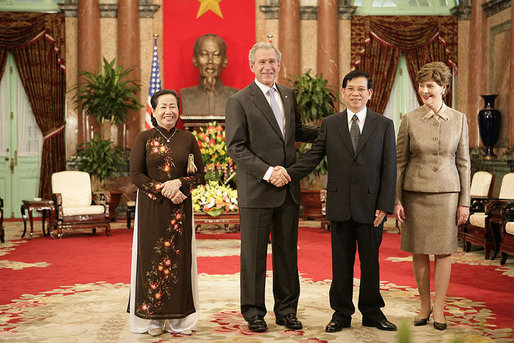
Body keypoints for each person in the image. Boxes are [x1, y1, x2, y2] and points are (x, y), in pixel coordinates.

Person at [283, 70, 398, 333]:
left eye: (361, 89)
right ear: (343, 93)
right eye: (350, 89)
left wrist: (385, 204)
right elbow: (314, 157)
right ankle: (341, 313)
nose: (355, 93)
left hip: (371, 208)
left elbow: (389, 167)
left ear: (369, 94)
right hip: (340, 204)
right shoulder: (330, 124)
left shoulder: (384, 124)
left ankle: (372, 312)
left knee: (371, 263)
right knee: (341, 263)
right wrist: (288, 173)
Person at [225, 42, 319, 333]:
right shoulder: (239, 100)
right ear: (251, 65)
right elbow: (235, 147)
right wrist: (268, 172)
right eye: (262, 61)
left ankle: (287, 310)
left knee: (287, 253)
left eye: (273, 62)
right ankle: (254, 312)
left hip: (287, 189)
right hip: (257, 189)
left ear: (280, 65)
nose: (268, 67)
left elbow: (296, 132)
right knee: (253, 256)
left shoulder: (289, 95)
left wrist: (335, 127)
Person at [393, 62, 470, 331]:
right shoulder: (409, 119)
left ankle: (440, 308)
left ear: (444, 88)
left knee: (444, 251)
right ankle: (424, 305)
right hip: (415, 194)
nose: (425, 90)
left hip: (448, 194)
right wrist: (397, 199)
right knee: (419, 250)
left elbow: (464, 163)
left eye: (431, 86)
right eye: (422, 85)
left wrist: (465, 202)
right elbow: (400, 162)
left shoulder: (460, 119)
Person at [129, 89, 205, 337]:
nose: (168, 111)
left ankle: (178, 320)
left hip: (180, 209)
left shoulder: (188, 138)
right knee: (151, 258)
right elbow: (136, 175)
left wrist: (179, 184)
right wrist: (164, 188)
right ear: (154, 110)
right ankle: (151, 320)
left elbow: (199, 175)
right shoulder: (144, 138)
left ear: (179, 110)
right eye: (163, 106)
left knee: (179, 260)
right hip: (152, 208)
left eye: (173, 106)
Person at [180, 33, 238, 114]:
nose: (210, 61)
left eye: (216, 55)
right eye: (204, 54)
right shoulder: (184, 96)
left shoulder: (237, 97)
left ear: (225, 60)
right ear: (194, 60)